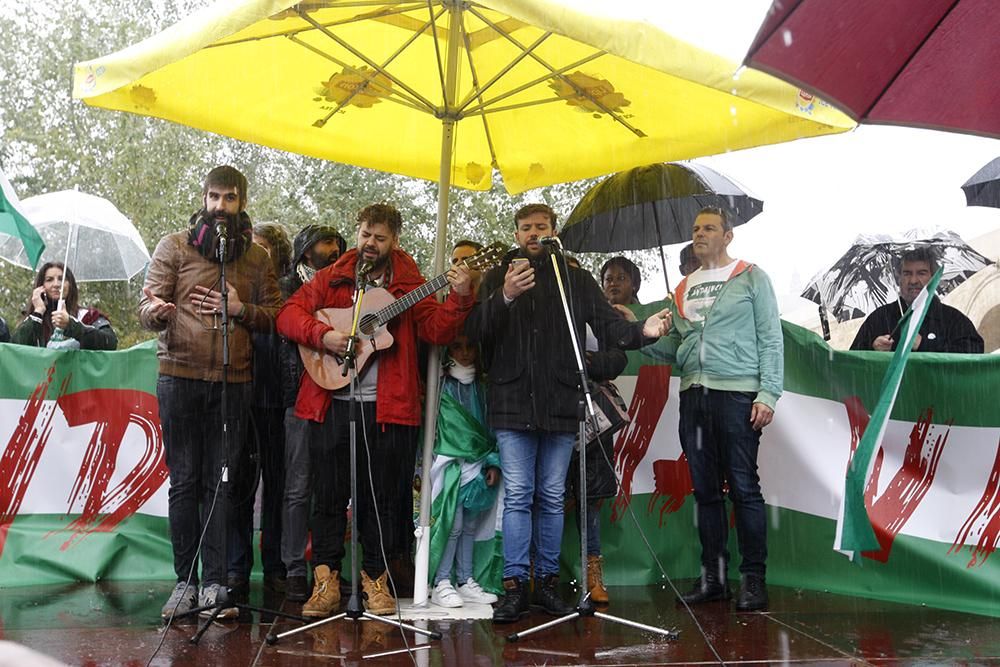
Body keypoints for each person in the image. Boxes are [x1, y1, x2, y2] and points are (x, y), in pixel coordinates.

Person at [464, 203, 671, 624]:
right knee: (520, 494)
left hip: (562, 400)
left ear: (554, 231)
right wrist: (506, 295)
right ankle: (515, 585)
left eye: (542, 226)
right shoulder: (496, 276)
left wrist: (642, 332)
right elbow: (474, 332)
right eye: (526, 228)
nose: (534, 234)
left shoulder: (573, 278)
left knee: (554, 496)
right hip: (511, 400)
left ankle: (548, 584)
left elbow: (609, 327)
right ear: (517, 233)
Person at [277, 203, 474, 616]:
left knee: (381, 499)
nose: (370, 244)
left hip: (386, 410)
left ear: (394, 241)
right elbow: (288, 316)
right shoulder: (334, 276)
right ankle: (326, 582)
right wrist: (325, 336)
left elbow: (437, 329)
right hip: (331, 402)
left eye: (380, 238)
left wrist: (459, 296)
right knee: (328, 497)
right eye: (366, 234)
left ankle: (374, 580)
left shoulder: (408, 281)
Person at [139, 166, 281, 621]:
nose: (221, 206)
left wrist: (242, 309)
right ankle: (185, 584)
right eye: (214, 197)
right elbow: (146, 306)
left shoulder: (258, 258)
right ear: (203, 198)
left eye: (230, 198)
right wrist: (157, 313)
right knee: (184, 480)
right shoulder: (173, 246)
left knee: (222, 482)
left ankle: (216, 585)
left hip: (233, 382)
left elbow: (278, 315)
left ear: (242, 201)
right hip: (178, 376)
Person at [644, 206, 783, 612]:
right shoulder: (683, 288)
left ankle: (753, 581)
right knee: (705, 491)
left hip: (738, 393)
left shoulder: (751, 276)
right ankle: (715, 580)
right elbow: (674, 347)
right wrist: (640, 332)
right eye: (695, 228)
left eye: (709, 228)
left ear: (728, 236)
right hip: (694, 395)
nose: (700, 234)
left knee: (744, 488)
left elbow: (771, 339)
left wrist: (768, 394)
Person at [278, 224, 351, 612]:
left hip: (336, 396)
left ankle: (330, 570)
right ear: (306, 251)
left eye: (338, 242)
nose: (336, 247)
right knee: (298, 486)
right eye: (326, 242)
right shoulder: (289, 287)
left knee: (331, 489)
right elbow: (284, 334)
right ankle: (293, 567)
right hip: (298, 396)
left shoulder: (346, 286)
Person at [224, 222, 294, 603]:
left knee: (278, 488)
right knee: (239, 485)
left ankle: (275, 567)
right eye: (252, 246)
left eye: (264, 247)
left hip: (277, 399)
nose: (257, 253)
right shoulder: (235, 288)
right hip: (242, 396)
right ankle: (237, 567)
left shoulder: (286, 292)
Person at [429, 333, 502, 608]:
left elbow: (489, 425)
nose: (465, 352)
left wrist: (493, 461)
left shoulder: (482, 387)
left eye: (470, 345)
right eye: (457, 346)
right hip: (449, 464)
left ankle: (465, 579)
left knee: (470, 524)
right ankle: (442, 581)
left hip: (479, 463)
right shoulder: (440, 385)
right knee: (453, 524)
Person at [850, 246, 984, 354]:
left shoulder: (954, 320)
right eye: (907, 273)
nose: (913, 281)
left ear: (933, 278)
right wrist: (872, 350)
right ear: (899, 279)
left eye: (921, 273)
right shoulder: (878, 319)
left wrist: (924, 344)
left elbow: (973, 356)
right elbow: (851, 363)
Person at [11, 262, 117, 350]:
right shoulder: (33, 319)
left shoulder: (88, 316)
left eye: (62, 279)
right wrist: (38, 311)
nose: (56, 284)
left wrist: (71, 326)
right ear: (41, 286)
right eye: (49, 280)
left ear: (70, 285)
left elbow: (110, 342)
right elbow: (14, 350)